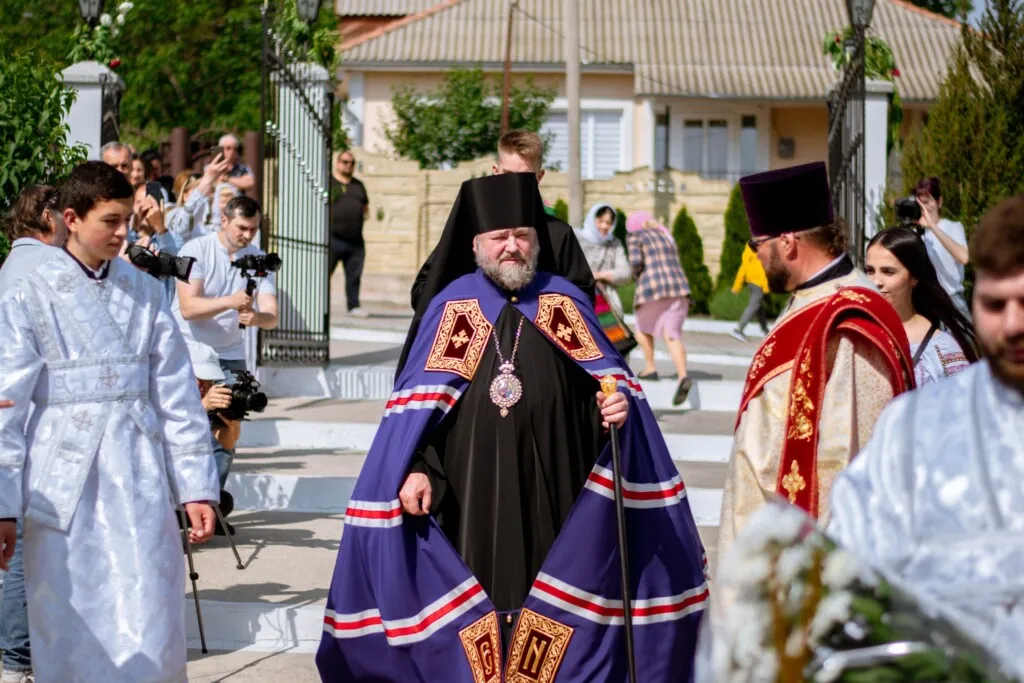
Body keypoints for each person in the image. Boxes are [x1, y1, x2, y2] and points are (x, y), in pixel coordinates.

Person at [317, 173, 709, 682]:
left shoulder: (565, 302)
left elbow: (611, 390)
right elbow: (415, 416)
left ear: (536, 241)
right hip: (467, 498)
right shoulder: (451, 306)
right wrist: (415, 468)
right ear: (476, 244)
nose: (511, 246)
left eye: (521, 235)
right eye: (499, 237)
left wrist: (614, 412)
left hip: (561, 493)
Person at [0, 161, 219, 683]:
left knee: (149, 611)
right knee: (69, 619)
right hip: (62, 482)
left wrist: (195, 487)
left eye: (127, 220)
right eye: (111, 221)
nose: (124, 233)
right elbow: (8, 403)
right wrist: (3, 506)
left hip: (139, 475)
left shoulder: (143, 290)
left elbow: (176, 396)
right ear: (71, 219)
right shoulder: (28, 289)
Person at [828, 194, 1024, 677]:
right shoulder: (913, 425)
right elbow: (854, 561)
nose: (1013, 325)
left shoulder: (943, 347)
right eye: (995, 305)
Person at [718, 162, 915, 562]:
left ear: (788, 242)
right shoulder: (811, 296)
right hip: (763, 540)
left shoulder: (848, 320)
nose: (756, 256)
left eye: (757, 245)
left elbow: (843, 456)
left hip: (803, 558)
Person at [402, 129, 595, 374]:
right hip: (475, 362)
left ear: (539, 176)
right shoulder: (472, 228)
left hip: (540, 361)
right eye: (507, 175)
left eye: (524, 178)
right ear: (495, 171)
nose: (514, 185)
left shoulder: (558, 234)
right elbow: (424, 292)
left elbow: (583, 300)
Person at [0, 185, 61, 683]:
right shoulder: (43, 268)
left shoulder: (13, 265)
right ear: (47, 216)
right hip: (24, 420)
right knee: (22, 545)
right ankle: (18, 658)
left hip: (18, 418)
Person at [173, 195, 279, 378]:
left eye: (253, 229)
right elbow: (188, 309)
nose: (248, 235)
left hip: (232, 353)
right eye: (242, 228)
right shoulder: (195, 250)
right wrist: (230, 302)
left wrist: (257, 318)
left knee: (240, 397)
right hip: (191, 349)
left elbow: (272, 316)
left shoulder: (261, 260)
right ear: (224, 221)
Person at [865, 226, 978, 386]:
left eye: (888, 272)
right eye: (870, 271)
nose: (876, 281)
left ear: (914, 277)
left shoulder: (944, 350)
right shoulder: (854, 333)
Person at [626, 210, 694, 404]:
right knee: (672, 336)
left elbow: (636, 263)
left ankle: (650, 368)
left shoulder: (636, 236)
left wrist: (635, 275)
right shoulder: (666, 235)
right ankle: (683, 375)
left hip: (652, 290)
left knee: (641, 329)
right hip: (679, 290)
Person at [187, 341, 240, 536]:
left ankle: (205, 517)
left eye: (209, 380)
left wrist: (231, 425)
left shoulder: (212, 396)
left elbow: (226, 445)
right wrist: (203, 406)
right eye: (199, 378)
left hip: (191, 487)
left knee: (223, 501)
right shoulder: (163, 396)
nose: (204, 385)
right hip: (164, 490)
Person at [915, 177, 970, 318]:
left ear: (939, 202)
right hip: (927, 302)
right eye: (921, 203)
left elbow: (963, 257)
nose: (925, 208)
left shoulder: (953, 227)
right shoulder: (916, 233)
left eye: (928, 202)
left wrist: (932, 227)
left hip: (952, 299)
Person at [329, 150, 369, 318]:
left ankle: (354, 306)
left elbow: (365, 207)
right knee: (323, 274)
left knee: (354, 276)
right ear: (337, 163)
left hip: (355, 241)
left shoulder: (358, 186)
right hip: (333, 239)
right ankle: (318, 304)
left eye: (351, 163)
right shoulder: (329, 183)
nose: (348, 165)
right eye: (345, 162)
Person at [576, 203, 631, 316]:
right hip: (577, 299)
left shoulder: (614, 244)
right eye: (600, 221)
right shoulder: (577, 238)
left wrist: (599, 275)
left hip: (606, 302)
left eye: (608, 223)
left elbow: (625, 274)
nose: (604, 226)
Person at [729, 244, 771, 342]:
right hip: (758, 283)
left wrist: (737, 286)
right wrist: (736, 286)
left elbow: (743, 268)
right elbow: (762, 271)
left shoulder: (751, 250)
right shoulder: (758, 250)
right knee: (753, 306)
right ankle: (738, 330)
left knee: (759, 307)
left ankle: (766, 332)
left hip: (752, 282)